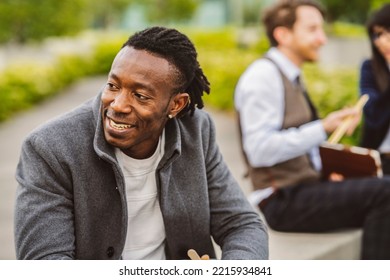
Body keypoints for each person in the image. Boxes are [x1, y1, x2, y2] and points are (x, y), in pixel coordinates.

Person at [14, 26, 268, 260]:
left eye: (140, 95)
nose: (118, 105)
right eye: (113, 86)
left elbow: (242, 225)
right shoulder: (50, 148)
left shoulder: (197, 130)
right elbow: (45, 263)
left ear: (176, 105)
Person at [234, 0, 390, 259]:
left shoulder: (289, 75)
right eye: (313, 29)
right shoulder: (263, 77)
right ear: (283, 34)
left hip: (302, 189)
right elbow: (259, 150)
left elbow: (295, 141)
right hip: (281, 201)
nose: (322, 39)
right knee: (386, 193)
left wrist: (326, 171)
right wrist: (323, 127)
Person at [359, 4, 390, 175]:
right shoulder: (369, 68)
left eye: (387, 32)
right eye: (377, 35)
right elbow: (373, 113)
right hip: (380, 160)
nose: (381, 41)